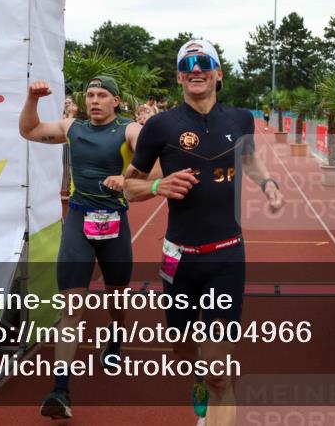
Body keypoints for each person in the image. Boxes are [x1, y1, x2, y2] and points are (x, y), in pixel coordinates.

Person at [124, 39, 284, 426]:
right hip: (179, 259)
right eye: (187, 65)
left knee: (219, 372)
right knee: (183, 349)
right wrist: (159, 186)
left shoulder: (240, 119)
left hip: (227, 255)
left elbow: (249, 160)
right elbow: (129, 186)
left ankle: (212, 383)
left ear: (218, 73)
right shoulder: (160, 126)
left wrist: (268, 184)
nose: (196, 69)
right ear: (180, 77)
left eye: (203, 62)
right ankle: (196, 376)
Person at [19, 75, 149, 420]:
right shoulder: (72, 127)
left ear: (116, 101)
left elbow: (151, 157)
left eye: (102, 95)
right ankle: (60, 390)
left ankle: (116, 334)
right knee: (71, 307)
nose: (94, 100)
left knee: (116, 298)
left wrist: (128, 178)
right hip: (79, 221)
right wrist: (32, 99)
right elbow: (29, 130)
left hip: (114, 222)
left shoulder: (128, 129)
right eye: (90, 94)